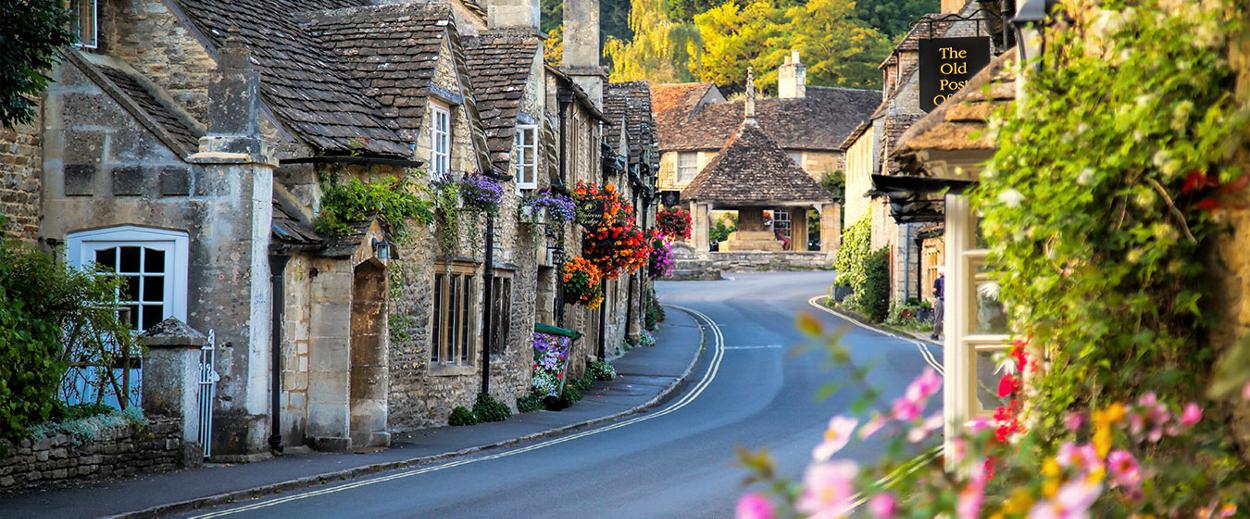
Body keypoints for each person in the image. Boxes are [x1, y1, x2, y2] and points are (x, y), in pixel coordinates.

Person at [931, 270, 945, 340]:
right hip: (949, 300)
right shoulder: (951, 281)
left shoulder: (938, 281)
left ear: (940, 273)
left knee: (938, 318)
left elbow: (934, 290)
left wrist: (933, 292)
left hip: (940, 300)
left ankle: (935, 334)